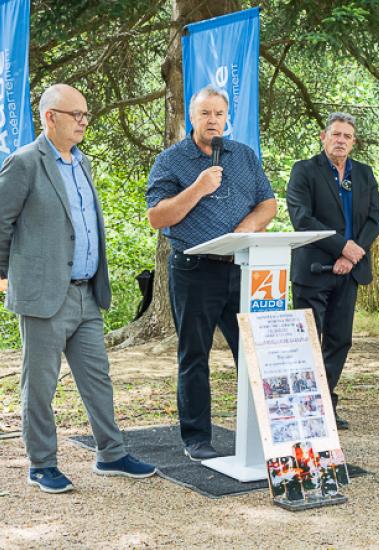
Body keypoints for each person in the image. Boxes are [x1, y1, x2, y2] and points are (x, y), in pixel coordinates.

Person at [0, 84, 155, 493]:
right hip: (43, 297)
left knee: (98, 379)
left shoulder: (82, 164)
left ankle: (111, 454)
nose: (82, 121)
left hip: (86, 294)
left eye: (85, 114)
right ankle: (41, 463)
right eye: (75, 114)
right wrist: (17, 271)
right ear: (50, 117)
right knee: (39, 385)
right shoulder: (24, 162)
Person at [146, 85, 277, 459]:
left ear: (226, 117)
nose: (212, 121)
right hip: (194, 270)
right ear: (192, 117)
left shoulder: (244, 156)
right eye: (205, 114)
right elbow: (158, 216)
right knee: (194, 354)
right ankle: (197, 438)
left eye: (218, 114)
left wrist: (249, 226)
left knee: (251, 353)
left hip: (242, 267)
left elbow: (267, 203)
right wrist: (198, 188)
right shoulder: (172, 161)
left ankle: (260, 431)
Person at [286, 112, 379, 430]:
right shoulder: (304, 171)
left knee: (340, 341)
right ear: (323, 137)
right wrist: (342, 246)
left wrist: (352, 255)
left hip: (348, 272)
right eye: (336, 134)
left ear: (353, 142)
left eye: (347, 136)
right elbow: (302, 219)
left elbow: (373, 220)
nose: (341, 140)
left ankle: (324, 404)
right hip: (313, 271)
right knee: (308, 342)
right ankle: (303, 407)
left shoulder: (364, 174)